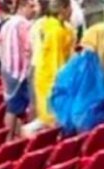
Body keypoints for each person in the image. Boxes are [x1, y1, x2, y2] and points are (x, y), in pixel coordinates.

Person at [32, 0, 74, 128]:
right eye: (70, 7)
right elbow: (56, 61)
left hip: (49, 75)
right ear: (63, 9)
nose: (72, 10)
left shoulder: (59, 26)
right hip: (51, 80)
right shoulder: (55, 30)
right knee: (52, 119)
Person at [0, 0, 36, 137]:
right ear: (22, 6)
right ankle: (20, 139)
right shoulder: (25, 25)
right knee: (26, 107)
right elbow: (29, 48)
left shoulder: (7, 24)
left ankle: (9, 139)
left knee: (12, 107)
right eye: (31, 6)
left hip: (8, 71)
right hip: (21, 73)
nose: (34, 10)